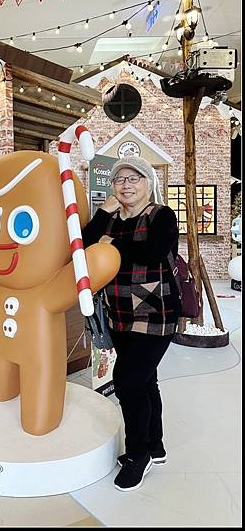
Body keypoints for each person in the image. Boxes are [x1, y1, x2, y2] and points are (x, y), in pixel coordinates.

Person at [82, 156, 180, 492]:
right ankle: (156, 445)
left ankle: (139, 454)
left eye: (134, 178)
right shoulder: (110, 222)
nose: (125, 184)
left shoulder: (161, 216)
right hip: (120, 314)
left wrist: (113, 245)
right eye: (119, 179)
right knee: (145, 381)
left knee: (126, 381)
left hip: (157, 313)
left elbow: (153, 252)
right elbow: (82, 245)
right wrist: (104, 213)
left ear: (148, 183)